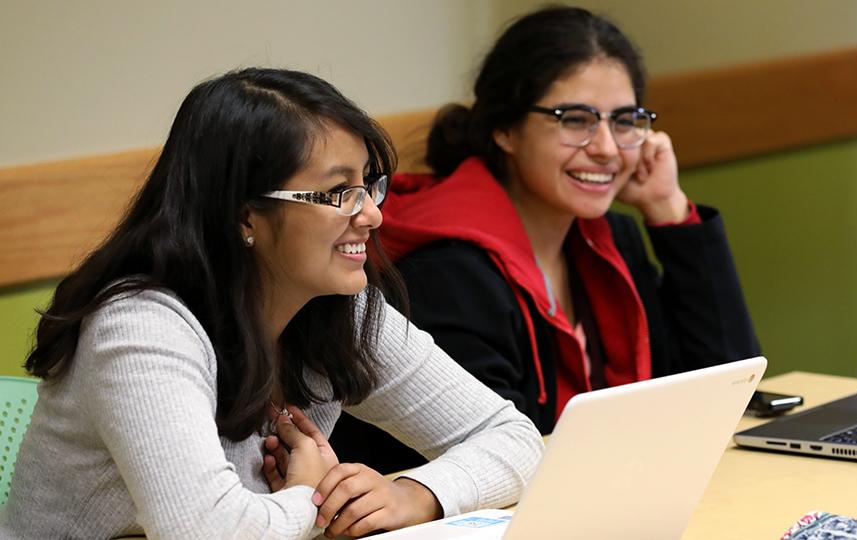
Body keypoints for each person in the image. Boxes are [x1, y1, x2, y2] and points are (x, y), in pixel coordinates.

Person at [0, 68, 542, 539]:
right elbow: (207, 533)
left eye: (369, 186)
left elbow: (512, 437)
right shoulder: (140, 328)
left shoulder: (337, 307)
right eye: (337, 193)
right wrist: (307, 498)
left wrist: (414, 493)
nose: (372, 215)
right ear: (243, 217)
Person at [330, 6, 760, 473]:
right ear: (505, 129)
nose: (607, 148)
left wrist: (669, 209)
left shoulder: (607, 238)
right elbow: (500, 460)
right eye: (575, 119)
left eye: (625, 121)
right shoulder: (448, 269)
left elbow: (728, 387)